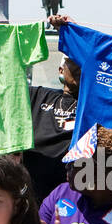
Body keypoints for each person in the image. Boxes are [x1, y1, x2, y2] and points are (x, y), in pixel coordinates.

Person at [23, 56, 81, 201]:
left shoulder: (93, 108)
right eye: (74, 61)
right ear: (61, 70)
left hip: (70, 194)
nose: (80, 67)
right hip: (30, 190)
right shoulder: (37, 95)